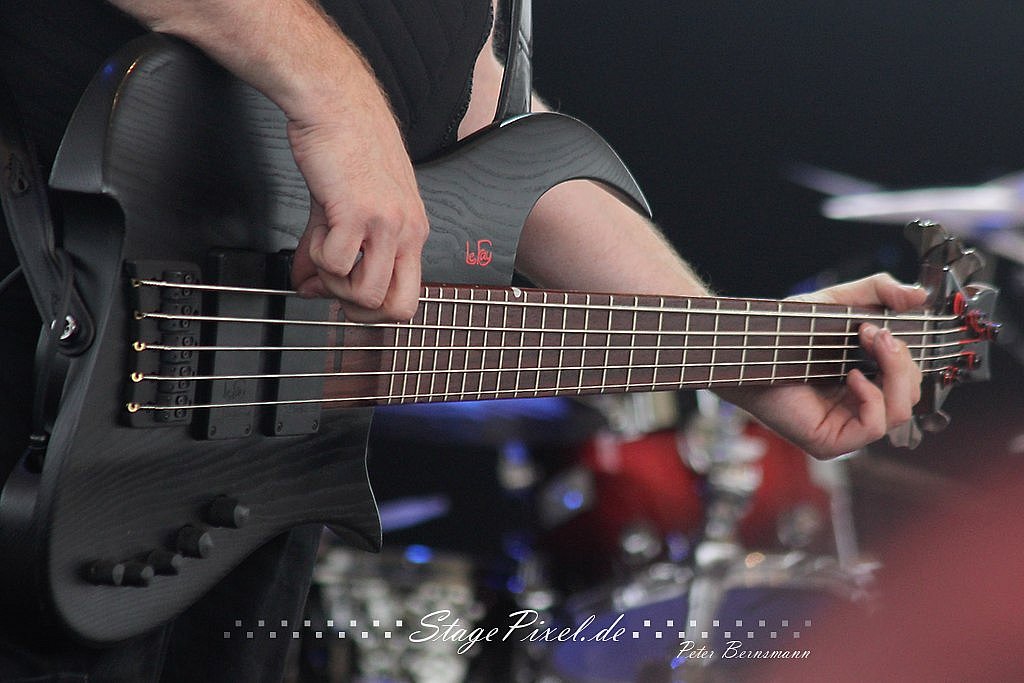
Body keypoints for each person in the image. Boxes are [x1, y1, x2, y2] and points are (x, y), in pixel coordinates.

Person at [0, 0, 924, 679]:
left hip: (242, 446)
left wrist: (753, 354)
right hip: (49, 298)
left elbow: (489, 142)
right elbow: (360, 102)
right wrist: (337, 96)